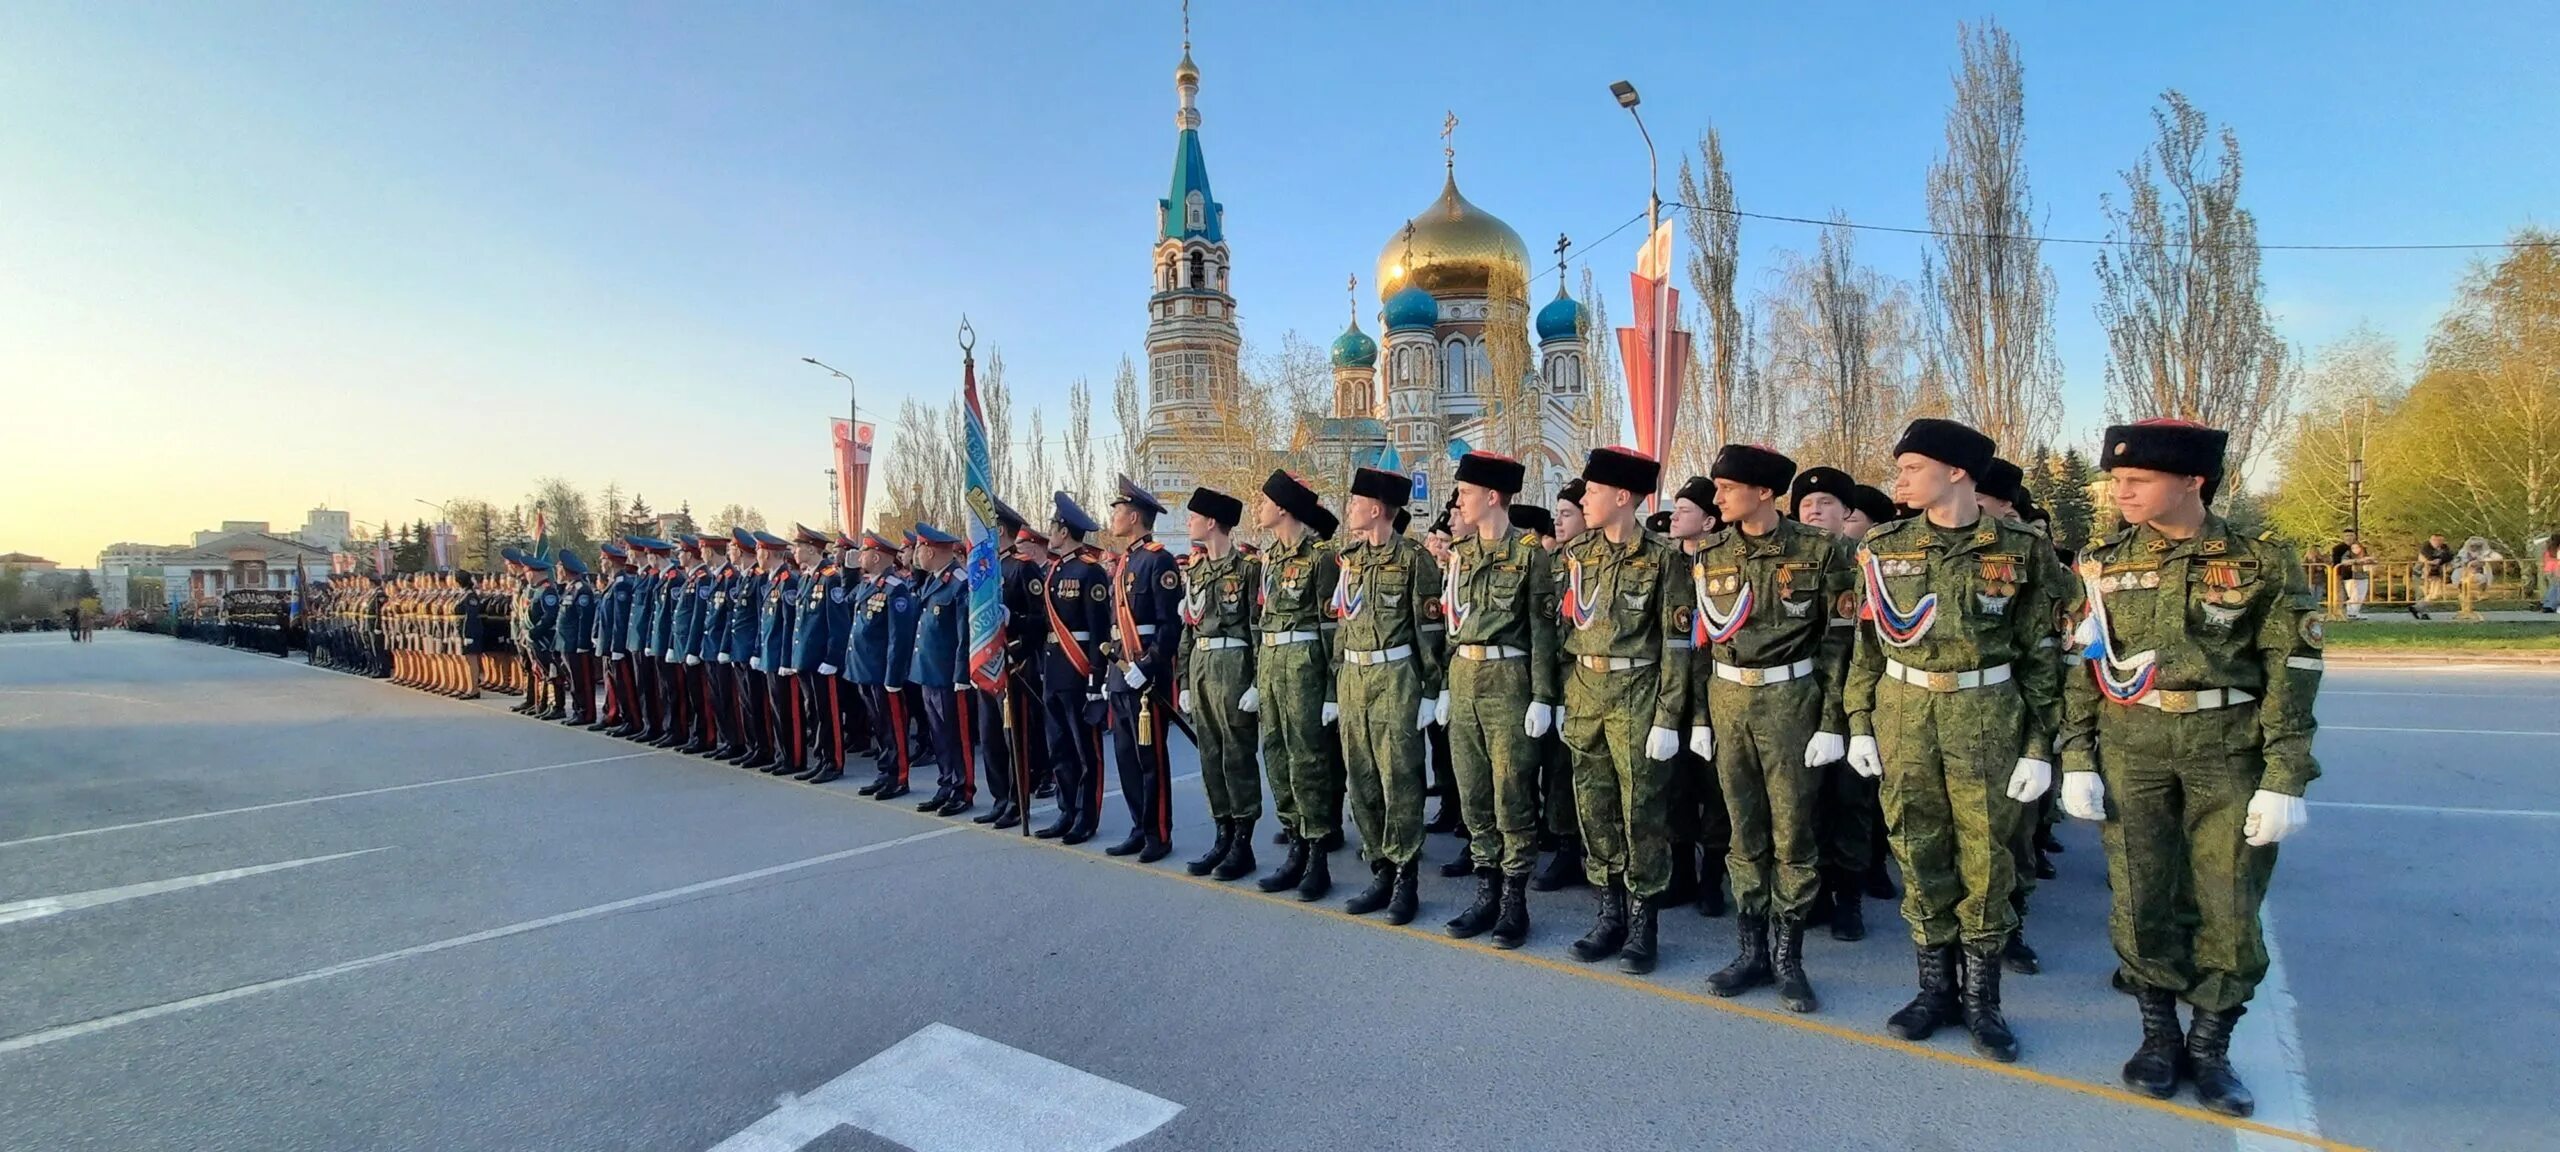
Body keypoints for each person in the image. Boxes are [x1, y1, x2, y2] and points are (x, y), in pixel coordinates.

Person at [2058, 418, 2322, 1116]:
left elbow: (2290, 668)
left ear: (2193, 481)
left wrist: (2284, 775)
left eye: (2137, 481)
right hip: (2131, 747)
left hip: (2226, 747)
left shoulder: (2262, 560)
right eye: (2117, 480)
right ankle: (2158, 1036)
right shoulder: (2102, 562)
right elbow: (2087, 665)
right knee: (2140, 896)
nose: (2122, 492)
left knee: (2229, 903)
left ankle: (2209, 1044)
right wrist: (2077, 757)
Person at [1843, 418, 2060, 1064]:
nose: (1899, 480)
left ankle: (1982, 1002)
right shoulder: (1882, 546)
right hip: (1905, 714)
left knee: (1988, 858)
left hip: (1987, 713)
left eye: (1912, 468)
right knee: (1916, 847)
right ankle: (1934, 990)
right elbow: (1864, 647)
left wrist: (2040, 747)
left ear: (1957, 472)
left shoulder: (2019, 548)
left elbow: (2042, 655)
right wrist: (1859, 723)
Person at [1688, 444, 1857, 1014]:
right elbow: (1700, 643)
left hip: (1792, 699)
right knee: (1742, 829)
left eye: (1727, 488)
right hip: (1728, 696)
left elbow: (1839, 641)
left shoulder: (1821, 551)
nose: (1717, 499)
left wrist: (1832, 720)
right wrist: (1699, 716)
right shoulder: (1711, 552)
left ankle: (1789, 957)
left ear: (1763, 492)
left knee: (1793, 832)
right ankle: (1751, 950)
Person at [1558, 447, 1696, 974]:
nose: (1583, 500)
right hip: (1587, 691)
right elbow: (1565, 625)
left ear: (1622, 497)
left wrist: (1669, 715)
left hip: (1638, 693)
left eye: (1592, 492)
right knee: (1594, 808)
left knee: (1642, 813)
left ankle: (1643, 924)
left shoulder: (1664, 558)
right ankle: (1608, 913)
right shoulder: (1580, 554)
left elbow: (1677, 645)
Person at [1437, 452, 1557, 948]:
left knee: (1511, 791)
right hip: (1465, 674)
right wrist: (1444, 685)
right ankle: (1485, 893)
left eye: (1465, 493)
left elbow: (1544, 631)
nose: (1457, 502)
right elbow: (1452, 623)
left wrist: (1543, 696)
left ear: (1492, 497)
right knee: (1473, 791)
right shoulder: (1461, 555)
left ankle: (1513, 900)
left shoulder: (1530, 555)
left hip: (1509, 679)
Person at [1329, 466, 1446, 924]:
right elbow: (1343, 623)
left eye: (1355, 503)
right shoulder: (1351, 558)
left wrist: (1432, 691)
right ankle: (1379, 867)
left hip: (1396, 676)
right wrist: (1337, 681)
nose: (1350, 510)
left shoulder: (1416, 560)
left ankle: (1405, 878)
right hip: (1355, 679)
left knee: (1400, 778)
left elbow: (1429, 632)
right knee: (1361, 778)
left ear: (1376, 510)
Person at [1249, 471, 1345, 897]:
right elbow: (1263, 623)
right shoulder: (1271, 558)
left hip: (1305, 669)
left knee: (1309, 761)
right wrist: (1256, 678)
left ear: (1283, 508)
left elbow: (1331, 630)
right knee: (1277, 757)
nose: (1259, 507)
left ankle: (1318, 857)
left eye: (1265, 500)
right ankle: (1295, 845)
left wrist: (1329, 691)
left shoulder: (1321, 558)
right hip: (1273, 666)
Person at [1176, 486, 1262, 880]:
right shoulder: (1195, 571)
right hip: (1202, 664)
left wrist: (1257, 681)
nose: (1188, 523)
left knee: (1236, 756)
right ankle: (1222, 834)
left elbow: (1256, 628)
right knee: (1210, 754)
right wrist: (1185, 682)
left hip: (1233, 665)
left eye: (1193, 517)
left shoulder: (1246, 571)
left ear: (1212, 523)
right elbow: (1188, 632)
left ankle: (1243, 841)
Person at [1102, 477, 1186, 861]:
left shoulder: (1158, 560)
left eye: (1118, 510)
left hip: (1145, 676)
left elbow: (1170, 626)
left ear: (1134, 516)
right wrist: (1111, 674)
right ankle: (1139, 825)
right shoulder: (1124, 563)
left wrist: (1149, 665)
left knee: (1150, 759)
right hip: (1121, 671)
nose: (1114, 516)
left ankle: (1158, 832)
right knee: (1126, 757)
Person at [1661, 475, 1732, 918]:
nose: (1674, 516)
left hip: (1714, 691)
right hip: (1671, 691)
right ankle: (1682, 874)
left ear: (1708, 521)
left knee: (1715, 790)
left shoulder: (1724, 565)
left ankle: (1712, 881)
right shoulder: (1666, 563)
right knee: (1675, 787)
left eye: (1685, 510)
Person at [1033, 494, 1110, 841]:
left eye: (1053, 526)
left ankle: (1086, 816)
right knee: (1059, 747)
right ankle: (1066, 810)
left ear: (1064, 531)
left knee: (1085, 751)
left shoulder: (1089, 571)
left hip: (1078, 669)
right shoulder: (1054, 570)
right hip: (1054, 668)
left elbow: (1098, 631)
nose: (1049, 532)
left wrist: (1096, 678)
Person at [1531, 481, 1591, 893]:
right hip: (1558, 682)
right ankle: (1566, 846)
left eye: (1568, 512)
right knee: (1558, 770)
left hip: (1591, 679)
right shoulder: (1552, 564)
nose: (1558, 519)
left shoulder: (1599, 563)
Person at [908, 523, 979, 815]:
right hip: (929, 672)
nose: (915, 554)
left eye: (919, 548)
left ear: (932, 550)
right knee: (939, 733)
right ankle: (946, 783)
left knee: (956, 734)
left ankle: (962, 789)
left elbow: (965, 634)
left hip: (950, 674)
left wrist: (962, 675)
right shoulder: (933, 580)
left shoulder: (959, 582)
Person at [848, 531, 921, 799]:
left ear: (876, 556)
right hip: (865, 668)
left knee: (893, 727)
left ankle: (898, 777)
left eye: (864, 552)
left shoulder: (895, 588)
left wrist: (893, 675)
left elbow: (898, 638)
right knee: (879, 726)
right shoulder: (869, 585)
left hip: (883, 671)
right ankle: (884, 771)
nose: (861, 557)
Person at [788, 525, 852, 783]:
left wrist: (832, 658)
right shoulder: (806, 578)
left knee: (828, 713)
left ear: (812, 549)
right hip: (806, 658)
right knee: (813, 711)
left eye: (799, 547)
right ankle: (821, 758)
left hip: (822, 660)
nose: (795, 552)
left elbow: (838, 624)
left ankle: (833, 762)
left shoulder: (830, 578)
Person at [2330, 531, 2372, 620]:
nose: (2349, 537)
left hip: (2359, 574)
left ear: (2355, 537)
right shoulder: (2338, 548)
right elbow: (2338, 562)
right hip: (2342, 574)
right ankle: (2341, 613)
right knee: (2342, 595)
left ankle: (2353, 612)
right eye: (2347, 535)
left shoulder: (2360, 547)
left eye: (2351, 535)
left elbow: (2366, 558)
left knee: (2358, 594)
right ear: (2343, 537)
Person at [2414, 532, 2453, 618]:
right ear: (2431, 540)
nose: (2437, 542)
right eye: (2435, 540)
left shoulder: (2444, 548)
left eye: (2439, 540)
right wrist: (2432, 561)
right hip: (2421, 574)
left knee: (2434, 594)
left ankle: (2417, 608)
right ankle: (2422, 613)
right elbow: (2425, 557)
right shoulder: (2425, 547)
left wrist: (2440, 560)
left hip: (2436, 574)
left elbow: (2449, 556)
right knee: (2422, 594)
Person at [2541, 533, 2560, 613]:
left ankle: (2548, 604)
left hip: (2549, 570)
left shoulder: (2549, 548)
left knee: (2553, 587)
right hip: (2556, 569)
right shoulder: (2557, 549)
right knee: (2556, 588)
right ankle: (2551, 605)